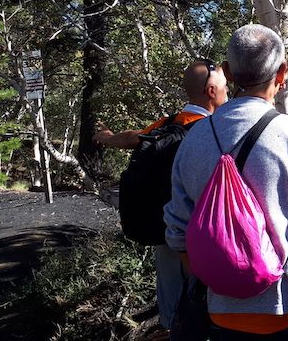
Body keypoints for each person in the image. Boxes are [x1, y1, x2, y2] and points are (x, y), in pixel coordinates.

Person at [164, 25, 288, 341]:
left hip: (221, 314)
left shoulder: (193, 140)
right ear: (282, 73)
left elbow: (177, 230)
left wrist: (219, 274)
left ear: (228, 73)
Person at [92, 59, 228, 332]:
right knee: (201, 304)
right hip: (200, 234)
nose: (229, 92)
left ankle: (172, 328)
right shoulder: (211, 130)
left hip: (164, 227)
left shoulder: (169, 123)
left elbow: (133, 138)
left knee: (172, 300)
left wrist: (106, 137)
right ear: (211, 91)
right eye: (226, 87)